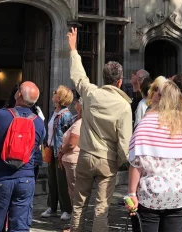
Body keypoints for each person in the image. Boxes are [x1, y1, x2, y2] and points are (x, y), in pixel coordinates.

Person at [67, 27, 132, 232]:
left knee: (79, 204)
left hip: (85, 155)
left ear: (105, 78)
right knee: (101, 208)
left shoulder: (91, 94)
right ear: (120, 81)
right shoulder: (124, 106)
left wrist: (73, 49)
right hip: (107, 159)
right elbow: (124, 141)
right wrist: (122, 161)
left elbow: (79, 76)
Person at [126, 80, 182, 232]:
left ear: (159, 98)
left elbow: (136, 163)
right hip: (178, 192)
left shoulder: (146, 123)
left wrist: (131, 192)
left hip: (150, 193)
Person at [0, 82, 45, 232]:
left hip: (2, 177)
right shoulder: (39, 122)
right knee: (20, 227)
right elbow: (37, 145)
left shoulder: (1, 115)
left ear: (19, 95)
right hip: (26, 178)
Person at [41, 85, 75, 222]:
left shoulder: (66, 115)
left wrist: (63, 150)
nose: (53, 94)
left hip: (59, 152)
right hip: (51, 150)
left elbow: (67, 134)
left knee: (62, 182)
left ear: (60, 97)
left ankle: (66, 209)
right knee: (52, 181)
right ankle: (52, 207)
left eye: (56, 93)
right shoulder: (53, 112)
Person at [59, 98, 83, 206]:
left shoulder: (79, 123)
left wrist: (61, 152)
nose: (76, 102)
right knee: (72, 190)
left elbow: (71, 144)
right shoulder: (75, 120)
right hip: (70, 160)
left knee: (75, 191)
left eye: (78, 101)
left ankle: (77, 219)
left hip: (74, 160)